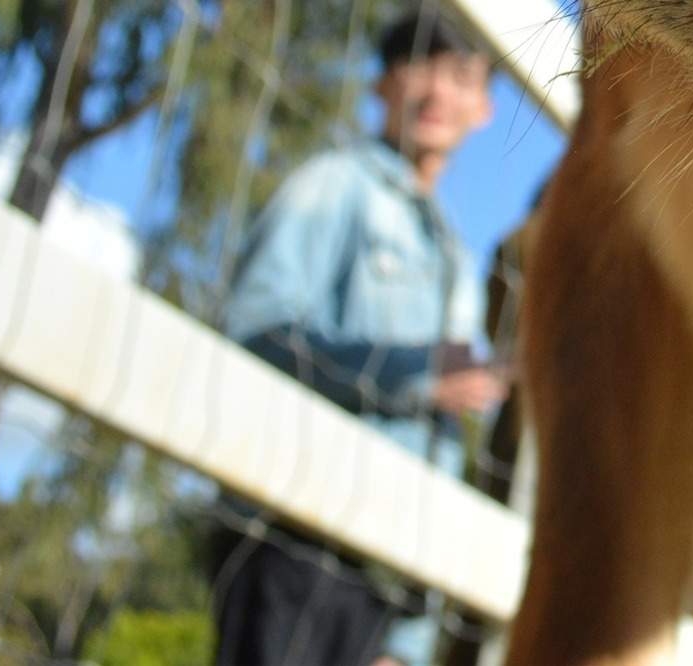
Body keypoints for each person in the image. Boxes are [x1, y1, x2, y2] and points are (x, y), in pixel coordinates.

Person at [210, 7, 501, 665]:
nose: (435, 91)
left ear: (483, 107)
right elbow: (252, 338)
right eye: (415, 65)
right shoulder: (332, 187)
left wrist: (410, 638)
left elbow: (441, 451)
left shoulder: (457, 257)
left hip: (386, 585)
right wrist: (414, 374)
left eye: (460, 75)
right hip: (294, 547)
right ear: (381, 86)